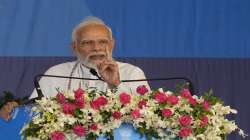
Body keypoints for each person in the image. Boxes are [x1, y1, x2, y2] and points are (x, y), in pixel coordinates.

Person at [0, 16, 149, 121]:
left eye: (102, 42)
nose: (96, 48)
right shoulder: (56, 73)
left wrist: (115, 85)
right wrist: (15, 111)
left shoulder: (132, 72)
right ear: (74, 47)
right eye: (87, 43)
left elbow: (146, 115)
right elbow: (33, 113)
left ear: (112, 44)